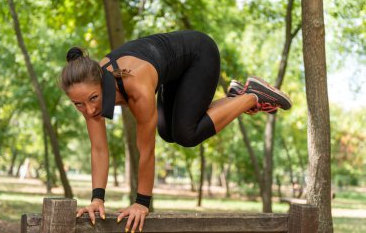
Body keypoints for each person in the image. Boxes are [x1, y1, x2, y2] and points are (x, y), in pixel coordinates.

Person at [60, 30, 291, 232]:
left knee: (185, 134)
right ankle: (236, 98)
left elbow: (146, 151)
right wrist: (97, 199)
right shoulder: (87, 89)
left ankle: (252, 96)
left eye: (93, 99)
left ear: (102, 83)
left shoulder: (136, 87)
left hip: (199, 54)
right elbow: (99, 149)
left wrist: (142, 202)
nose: (89, 110)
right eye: (78, 104)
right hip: (172, 70)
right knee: (167, 132)